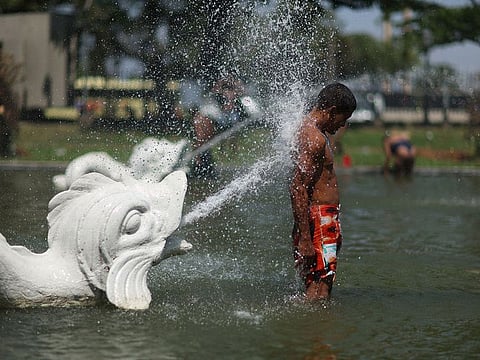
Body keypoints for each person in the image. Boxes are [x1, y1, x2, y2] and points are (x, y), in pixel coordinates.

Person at [290, 83, 356, 301]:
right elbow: (298, 187)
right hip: (320, 219)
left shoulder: (310, 130)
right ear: (331, 111)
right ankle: (317, 331)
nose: (343, 124)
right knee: (321, 289)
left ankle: (309, 330)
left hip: (318, 219)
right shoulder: (314, 138)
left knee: (315, 284)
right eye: (342, 118)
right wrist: (306, 241)